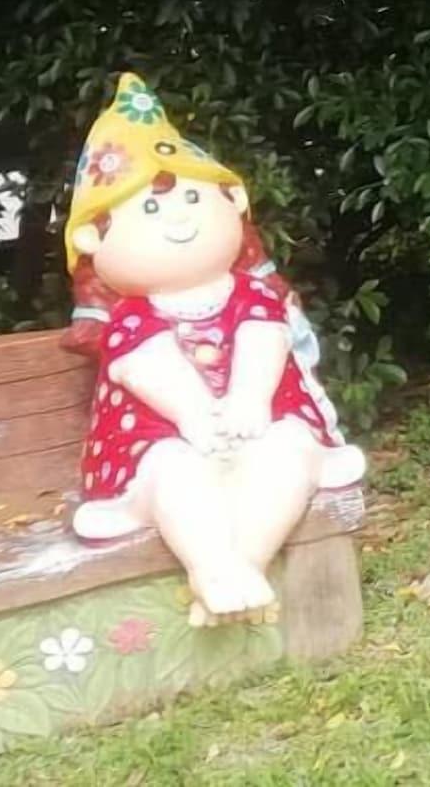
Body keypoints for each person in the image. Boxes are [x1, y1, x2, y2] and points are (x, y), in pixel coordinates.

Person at [64, 75, 365, 627]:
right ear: (93, 240)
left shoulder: (251, 294)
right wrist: (196, 415)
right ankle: (211, 566)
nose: (179, 217)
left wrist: (249, 400)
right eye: (150, 210)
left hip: (263, 425)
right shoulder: (133, 315)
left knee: (287, 453)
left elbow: (263, 340)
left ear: (234, 202)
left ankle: (239, 569)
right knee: (176, 474)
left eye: (193, 197)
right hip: (163, 441)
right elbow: (149, 365)